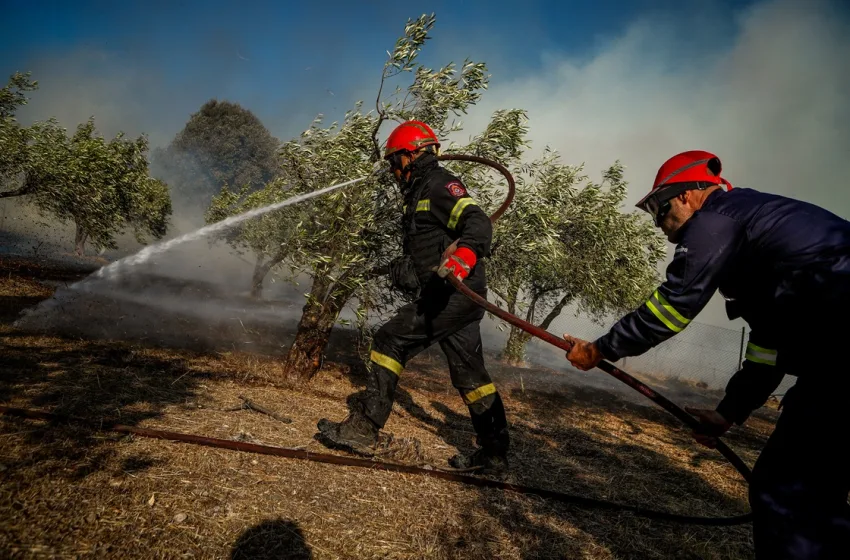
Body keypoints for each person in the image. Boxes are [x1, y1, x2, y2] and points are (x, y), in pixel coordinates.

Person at [564, 150, 850, 559]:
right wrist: (728, 413)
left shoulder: (716, 220)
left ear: (687, 194)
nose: (660, 226)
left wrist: (600, 348)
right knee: (818, 491)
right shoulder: (760, 239)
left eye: (659, 211)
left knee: (785, 488)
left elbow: (674, 305)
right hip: (836, 367)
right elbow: (768, 348)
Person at [317, 120, 510, 477]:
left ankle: (364, 428)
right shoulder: (420, 192)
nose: (393, 170)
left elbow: (479, 223)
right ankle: (495, 453)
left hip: (453, 295)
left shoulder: (438, 185)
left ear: (411, 155)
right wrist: (408, 268)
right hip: (454, 297)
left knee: (389, 340)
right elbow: (431, 245)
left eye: (395, 161)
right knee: (472, 376)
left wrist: (462, 259)